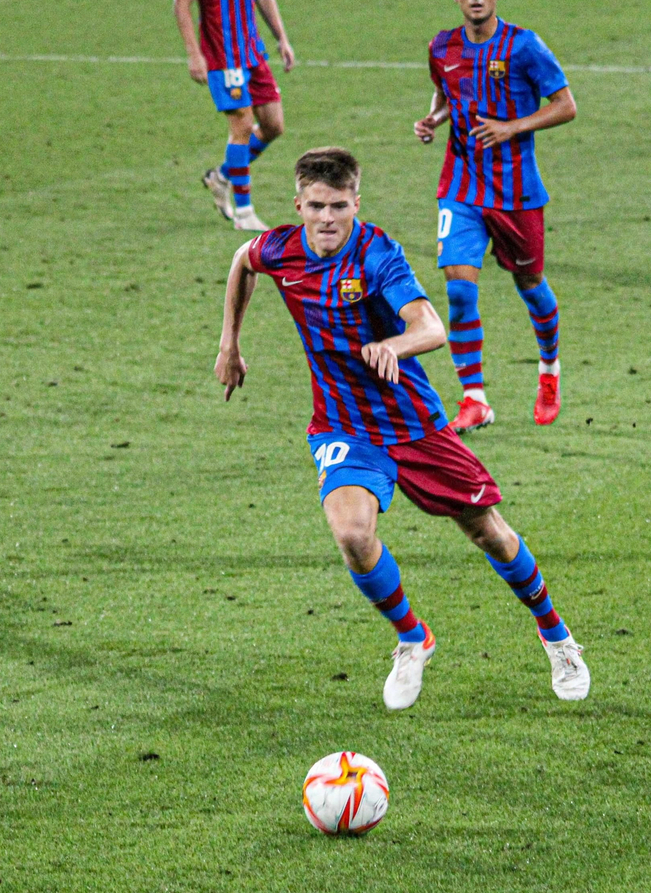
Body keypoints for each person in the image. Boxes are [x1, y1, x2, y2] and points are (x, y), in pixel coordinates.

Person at [215, 147, 588, 709]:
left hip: (412, 424)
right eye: (316, 206)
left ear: (356, 203)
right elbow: (242, 261)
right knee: (352, 534)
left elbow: (430, 326)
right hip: (342, 425)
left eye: (339, 206)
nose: (327, 219)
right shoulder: (282, 249)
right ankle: (413, 638)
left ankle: (556, 636)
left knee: (487, 532)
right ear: (298, 205)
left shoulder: (377, 254)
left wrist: (393, 345)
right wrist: (230, 343)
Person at [414, 0, 577, 432]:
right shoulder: (441, 47)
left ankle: (549, 370)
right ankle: (474, 398)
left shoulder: (524, 46)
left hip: (516, 191)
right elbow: (447, 95)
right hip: (461, 186)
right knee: (458, 288)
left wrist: (512, 127)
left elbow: (565, 105)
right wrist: (433, 119)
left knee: (531, 285)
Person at [174, 0, 296, 232]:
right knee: (242, 125)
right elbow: (181, 3)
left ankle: (221, 176)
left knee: (273, 125)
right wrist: (194, 54)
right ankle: (244, 213)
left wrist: (282, 38)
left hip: (252, 52)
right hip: (222, 56)